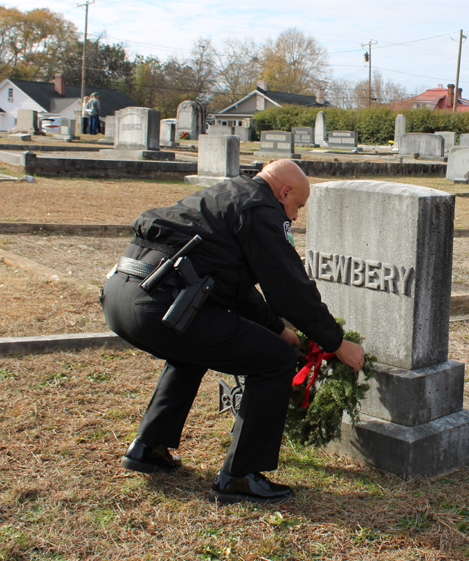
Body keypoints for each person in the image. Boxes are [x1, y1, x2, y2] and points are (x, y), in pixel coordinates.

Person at [100, 159, 365, 504]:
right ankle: (240, 476)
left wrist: (274, 327)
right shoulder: (260, 207)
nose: (296, 217)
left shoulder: (226, 194)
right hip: (161, 303)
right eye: (297, 206)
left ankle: (149, 447)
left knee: (191, 348)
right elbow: (288, 288)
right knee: (276, 359)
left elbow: (233, 286)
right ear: (283, 192)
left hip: (123, 296)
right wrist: (335, 342)